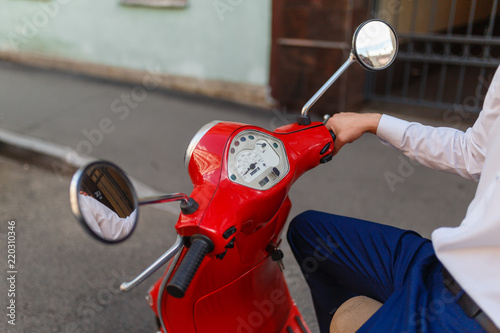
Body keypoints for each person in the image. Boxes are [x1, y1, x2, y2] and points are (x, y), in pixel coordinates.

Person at [287, 66, 500, 333]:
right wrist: (373, 122)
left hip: (471, 316)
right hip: (444, 265)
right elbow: (474, 153)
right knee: (309, 233)